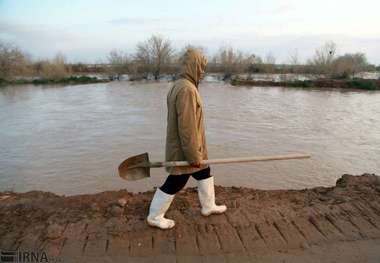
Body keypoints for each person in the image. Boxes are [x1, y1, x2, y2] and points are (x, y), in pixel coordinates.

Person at [146, 48, 227, 229]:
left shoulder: (179, 84)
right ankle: (155, 216)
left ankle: (208, 206)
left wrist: (199, 155)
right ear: (193, 66)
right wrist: (193, 156)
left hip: (190, 147)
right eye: (201, 67)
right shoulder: (187, 90)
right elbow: (187, 127)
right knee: (177, 180)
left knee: (204, 171)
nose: (203, 71)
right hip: (185, 150)